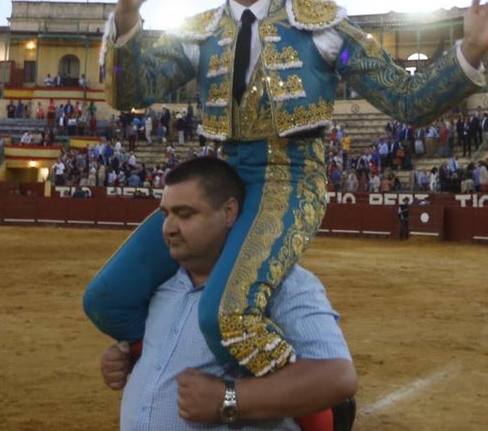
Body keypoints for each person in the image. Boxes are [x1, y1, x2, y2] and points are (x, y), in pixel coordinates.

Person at [84, 0, 488, 376]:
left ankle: (316, 406)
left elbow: (408, 100)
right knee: (107, 299)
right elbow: (129, 95)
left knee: (229, 318)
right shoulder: (202, 34)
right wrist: (127, 14)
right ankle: (170, 359)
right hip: (218, 183)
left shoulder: (320, 28)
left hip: (290, 180)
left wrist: (470, 49)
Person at [100, 157, 356, 430]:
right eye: (166, 214)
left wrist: (228, 399)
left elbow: (337, 377)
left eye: (185, 214)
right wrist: (131, 359)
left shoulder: (283, 283)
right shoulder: (162, 285)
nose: (169, 228)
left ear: (229, 213)